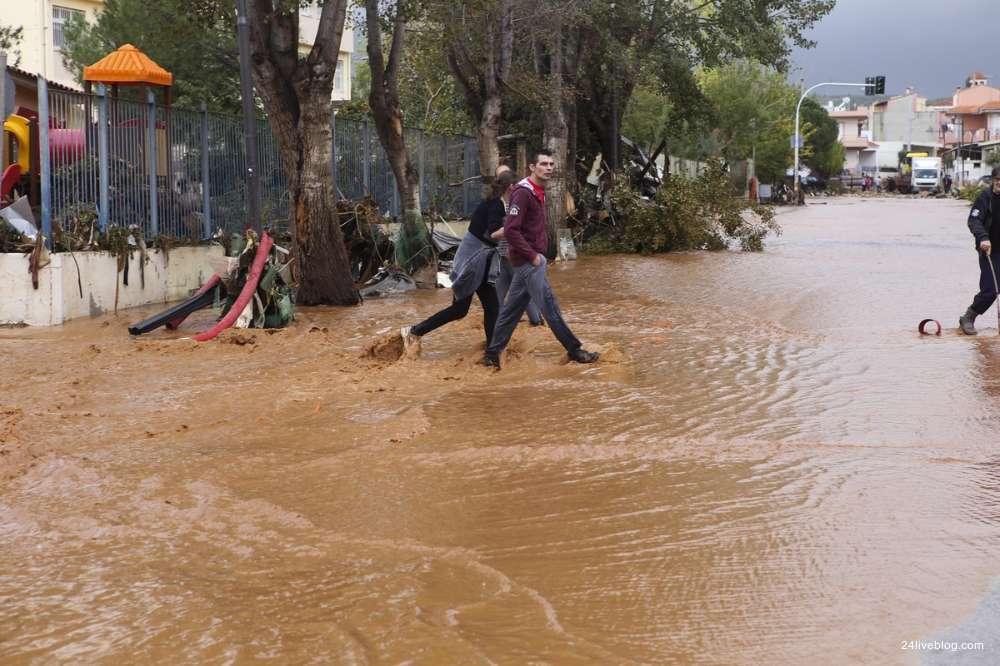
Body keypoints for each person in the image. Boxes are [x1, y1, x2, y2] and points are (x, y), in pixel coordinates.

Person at [481, 148, 599, 369]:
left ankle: (492, 354)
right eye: (543, 164)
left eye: (551, 164)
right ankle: (574, 349)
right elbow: (512, 229)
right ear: (532, 168)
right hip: (529, 263)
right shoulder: (523, 193)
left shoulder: (538, 190)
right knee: (549, 306)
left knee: (510, 311)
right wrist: (532, 256)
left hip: (528, 261)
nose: (549, 168)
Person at [400, 170, 516, 347]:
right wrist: (514, 226)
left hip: (479, 261)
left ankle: (493, 350)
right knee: (460, 310)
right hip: (473, 262)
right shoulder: (496, 205)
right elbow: (494, 233)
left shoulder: (496, 203)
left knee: (490, 307)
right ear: (512, 187)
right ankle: (414, 331)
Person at [493, 164, 544, 327]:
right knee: (500, 296)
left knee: (522, 294)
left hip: (515, 256)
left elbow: (516, 230)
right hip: (504, 256)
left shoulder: (515, 201)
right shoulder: (500, 204)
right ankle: (499, 327)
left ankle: (535, 322)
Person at [958, 165, 1000, 335]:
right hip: (990, 250)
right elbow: (974, 220)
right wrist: (983, 237)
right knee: (990, 289)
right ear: (993, 180)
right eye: (998, 180)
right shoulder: (985, 197)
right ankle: (968, 317)